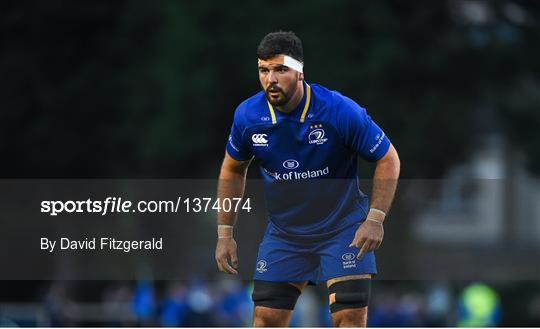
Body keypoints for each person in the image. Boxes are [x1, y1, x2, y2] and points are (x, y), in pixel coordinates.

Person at [215, 31, 400, 327]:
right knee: (265, 320)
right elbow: (232, 169)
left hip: (343, 228)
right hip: (286, 234)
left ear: (300, 72)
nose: (270, 79)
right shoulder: (248, 117)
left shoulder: (339, 111)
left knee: (349, 318)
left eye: (280, 69)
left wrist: (375, 218)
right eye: (264, 70)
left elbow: (388, 158)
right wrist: (225, 233)